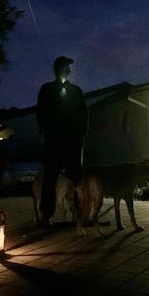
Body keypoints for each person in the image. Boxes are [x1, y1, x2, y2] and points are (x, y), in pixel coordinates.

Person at [36, 56, 88, 227]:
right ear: (58, 69)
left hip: (72, 142)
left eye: (69, 68)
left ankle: (79, 214)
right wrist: (46, 131)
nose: (68, 70)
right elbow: (41, 113)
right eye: (65, 67)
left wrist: (81, 136)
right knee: (50, 178)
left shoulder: (76, 91)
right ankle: (46, 215)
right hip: (54, 142)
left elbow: (83, 114)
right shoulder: (47, 89)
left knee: (77, 178)